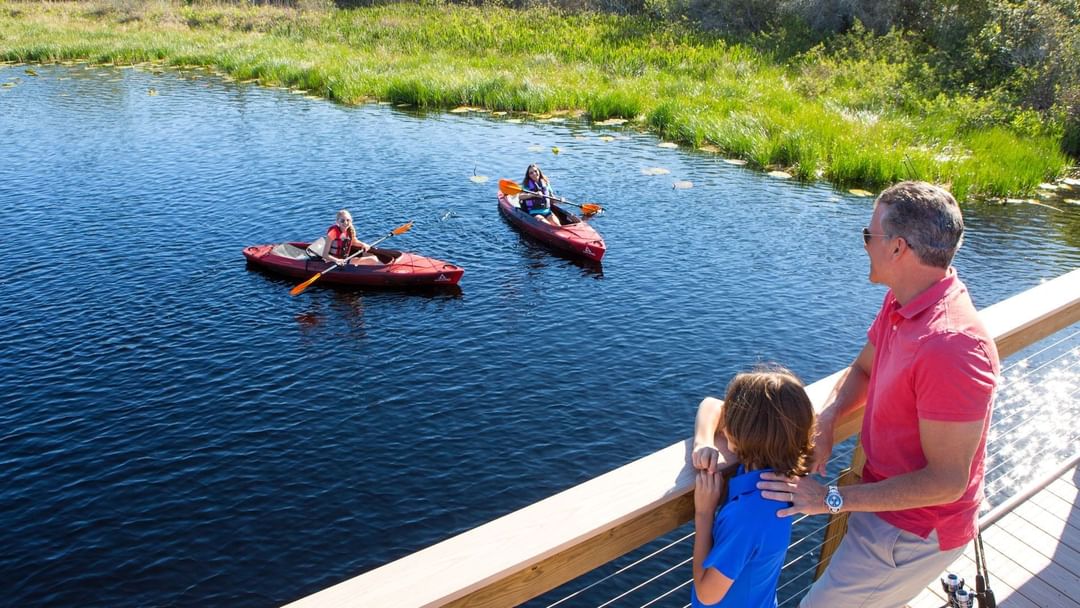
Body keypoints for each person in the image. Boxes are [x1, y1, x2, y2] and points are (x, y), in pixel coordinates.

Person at [752, 181, 1001, 607]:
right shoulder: (904, 301)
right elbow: (865, 369)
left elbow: (946, 481)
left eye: (870, 235)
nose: (864, 243)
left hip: (911, 532)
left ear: (898, 248)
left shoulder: (951, 346)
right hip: (881, 507)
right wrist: (828, 421)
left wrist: (831, 498)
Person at [691, 367, 816, 608]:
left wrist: (704, 513)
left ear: (740, 436)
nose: (724, 424)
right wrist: (702, 443)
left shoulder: (748, 515)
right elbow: (711, 405)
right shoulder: (779, 480)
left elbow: (707, 594)